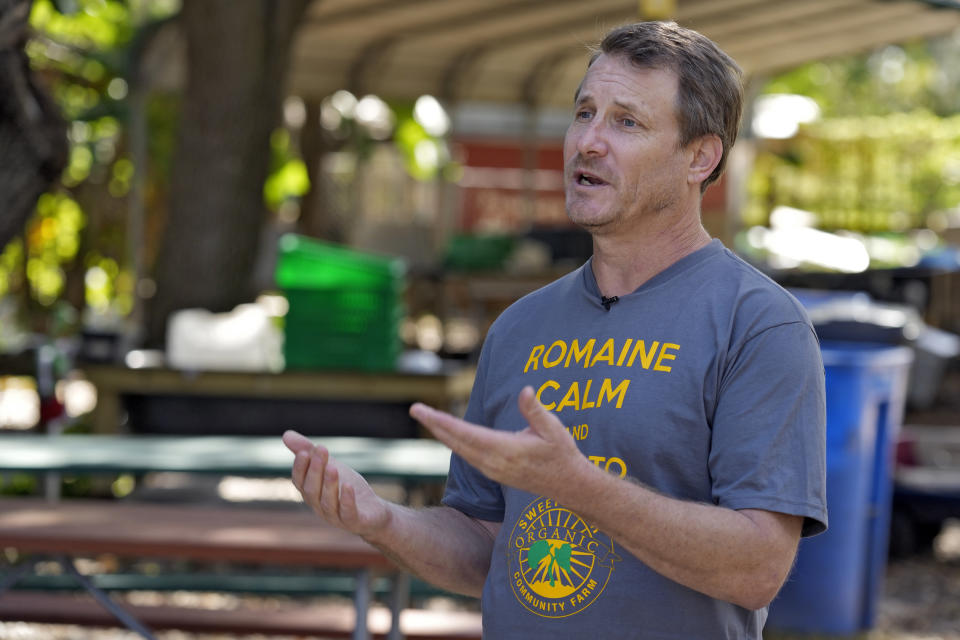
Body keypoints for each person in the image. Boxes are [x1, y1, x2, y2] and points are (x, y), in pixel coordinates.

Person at [283, 20, 827, 638]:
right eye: (583, 113)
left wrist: (581, 488)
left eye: (626, 122)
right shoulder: (520, 326)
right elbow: (485, 545)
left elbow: (757, 567)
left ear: (699, 158)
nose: (588, 142)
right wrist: (380, 518)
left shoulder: (758, 325)